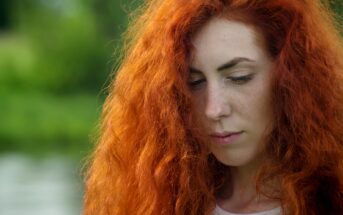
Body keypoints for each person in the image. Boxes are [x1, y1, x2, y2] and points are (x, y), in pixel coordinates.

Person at [83, 0, 343, 214]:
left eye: (239, 77)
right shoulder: (160, 201)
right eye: (194, 82)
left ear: (293, 78)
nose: (213, 110)